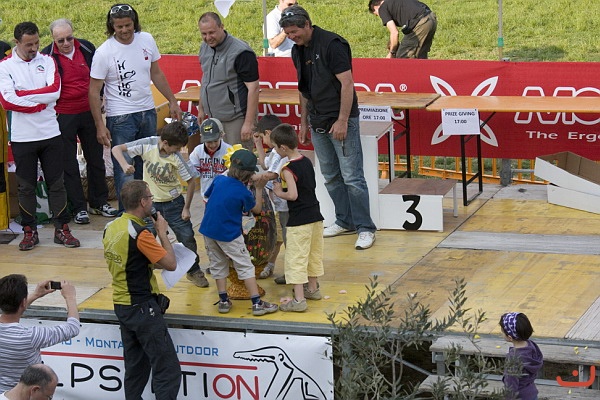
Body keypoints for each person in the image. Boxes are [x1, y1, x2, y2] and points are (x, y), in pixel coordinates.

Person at [280, 5, 377, 250]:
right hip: (317, 121)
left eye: (294, 32)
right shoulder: (297, 50)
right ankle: (345, 221)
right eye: (288, 33)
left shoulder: (333, 44)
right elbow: (303, 90)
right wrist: (303, 122)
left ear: (307, 24)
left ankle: (365, 228)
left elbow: (347, 84)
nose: (291, 37)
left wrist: (343, 120)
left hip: (340, 119)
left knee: (352, 177)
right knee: (331, 176)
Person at [89, 3, 182, 209]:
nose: (124, 30)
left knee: (147, 166)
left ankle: (146, 212)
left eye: (128, 25)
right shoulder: (104, 52)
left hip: (147, 112)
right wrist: (99, 125)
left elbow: (156, 73)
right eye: (119, 26)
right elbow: (94, 91)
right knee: (125, 170)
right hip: (120, 117)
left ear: (135, 23)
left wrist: (172, 100)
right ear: (111, 26)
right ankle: (127, 216)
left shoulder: (146, 39)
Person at [0, 22, 80, 251]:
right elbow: (7, 101)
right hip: (23, 137)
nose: (34, 48)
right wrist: (37, 103)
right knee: (26, 187)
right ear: (16, 42)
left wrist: (22, 95)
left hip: (50, 133)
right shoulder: (5, 66)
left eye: (36, 42)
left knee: (57, 184)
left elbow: (54, 92)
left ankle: (62, 229)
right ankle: (29, 231)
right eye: (29, 45)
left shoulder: (48, 60)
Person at [103, 179, 181, 399]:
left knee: (135, 369)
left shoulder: (111, 227)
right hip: (142, 308)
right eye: (150, 198)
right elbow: (170, 264)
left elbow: (134, 260)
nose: (152, 202)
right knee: (167, 370)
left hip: (122, 305)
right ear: (143, 202)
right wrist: (162, 232)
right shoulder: (139, 233)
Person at [111, 121, 209, 288]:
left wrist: (186, 208)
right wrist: (124, 164)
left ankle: (193, 270)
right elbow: (116, 149)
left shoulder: (177, 157)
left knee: (187, 237)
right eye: (176, 148)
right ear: (165, 142)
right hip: (150, 205)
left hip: (174, 204)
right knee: (144, 238)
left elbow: (191, 181)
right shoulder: (148, 144)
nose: (178, 151)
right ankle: (141, 271)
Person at [41, 18, 117, 224]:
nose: (66, 43)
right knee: (69, 163)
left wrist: (100, 97)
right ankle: (78, 208)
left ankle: (99, 202)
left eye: (69, 38)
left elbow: (99, 75)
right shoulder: (47, 56)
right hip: (63, 114)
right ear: (53, 39)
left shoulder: (87, 48)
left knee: (96, 157)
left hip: (89, 111)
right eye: (61, 41)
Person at [199, 149, 279, 316]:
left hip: (208, 230)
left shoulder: (219, 179)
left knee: (218, 263)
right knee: (245, 265)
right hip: (228, 233)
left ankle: (223, 300)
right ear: (248, 175)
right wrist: (259, 189)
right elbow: (257, 209)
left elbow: (208, 195)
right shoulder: (243, 192)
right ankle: (257, 303)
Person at [270, 124, 323, 312]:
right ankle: (313, 289)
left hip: (299, 220)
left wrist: (278, 192)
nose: (275, 151)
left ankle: (299, 300)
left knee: (296, 259)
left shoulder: (287, 169)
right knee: (313, 254)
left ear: (283, 148)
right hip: (315, 216)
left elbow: (292, 195)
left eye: (275, 147)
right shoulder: (306, 161)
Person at [0, 274, 80, 391]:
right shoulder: (30, 336)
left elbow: (13, 311)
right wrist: (70, 297)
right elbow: (73, 327)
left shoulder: (29, 335)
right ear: (23, 302)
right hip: (25, 395)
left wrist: (35, 295)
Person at [197, 12, 259, 148]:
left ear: (222, 27)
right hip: (212, 118)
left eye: (211, 32)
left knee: (237, 160)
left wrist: (248, 123)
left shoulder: (241, 52)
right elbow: (205, 79)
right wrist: (201, 108)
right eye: (204, 34)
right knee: (214, 159)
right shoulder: (204, 48)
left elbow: (254, 88)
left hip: (236, 120)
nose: (208, 38)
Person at [252, 115, 289, 282]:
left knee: (286, 239)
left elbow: (271, 173)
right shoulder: (274, 151)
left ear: (268, 133)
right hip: (278, 205)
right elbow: (265, 164)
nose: (262, 140)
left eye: (262, 137)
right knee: (277, 236)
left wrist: (251, 177)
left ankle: (292, 272)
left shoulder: (281, 153)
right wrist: (258, 144)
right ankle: (271, 265)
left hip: (285, 205)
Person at [368, 0, 437, 59]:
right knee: (420, 56)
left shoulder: (382, 8)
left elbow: (394, 33)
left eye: (376, 14)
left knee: (403, 57)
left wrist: (392, 53)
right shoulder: (395, 3)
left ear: (375, 7)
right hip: (431, 18)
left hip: (421, 22)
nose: (379, 16)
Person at [499, 312, 543, 400]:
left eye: (502, 331)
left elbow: (511, 386)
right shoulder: (531, 345)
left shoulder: (513, 359)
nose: (500, 333)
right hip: (532, 394)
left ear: (510, 337)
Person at [189, 118, 232, 203]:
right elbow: (194, 174)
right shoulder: (198, 151)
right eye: (208, 142)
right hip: (207, 196)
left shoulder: (229, 150)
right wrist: (188, 166)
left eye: (215, 141)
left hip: (225, 195)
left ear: (222, 135)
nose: (212, 145)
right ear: (202, 137)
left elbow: (234, 174)